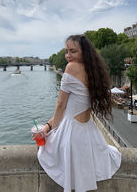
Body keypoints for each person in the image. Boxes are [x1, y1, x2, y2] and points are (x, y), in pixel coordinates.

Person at [38, 35, 121, 192]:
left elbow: (61, 105)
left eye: (73, 51)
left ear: (84, 52)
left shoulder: (72, 68)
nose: (68, 56)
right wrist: (48, 126)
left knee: (45, 152)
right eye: (66, 51)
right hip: (88, 132)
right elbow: (70, 109)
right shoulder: (94, 72)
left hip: (71, 133)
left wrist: (50, 130)